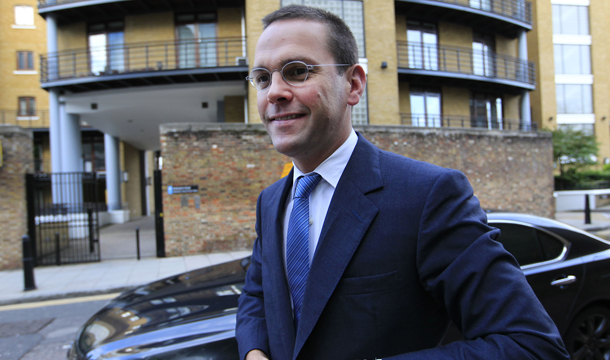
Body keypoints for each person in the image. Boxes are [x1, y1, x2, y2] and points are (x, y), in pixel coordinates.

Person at [236, 5, 569, 360]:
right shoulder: (271, 201)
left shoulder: (428, 196)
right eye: (262, 77)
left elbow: (531, 345)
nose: (274, 92)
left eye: (297, 71)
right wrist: (254, 351)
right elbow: (258, 296)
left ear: (353, 84)